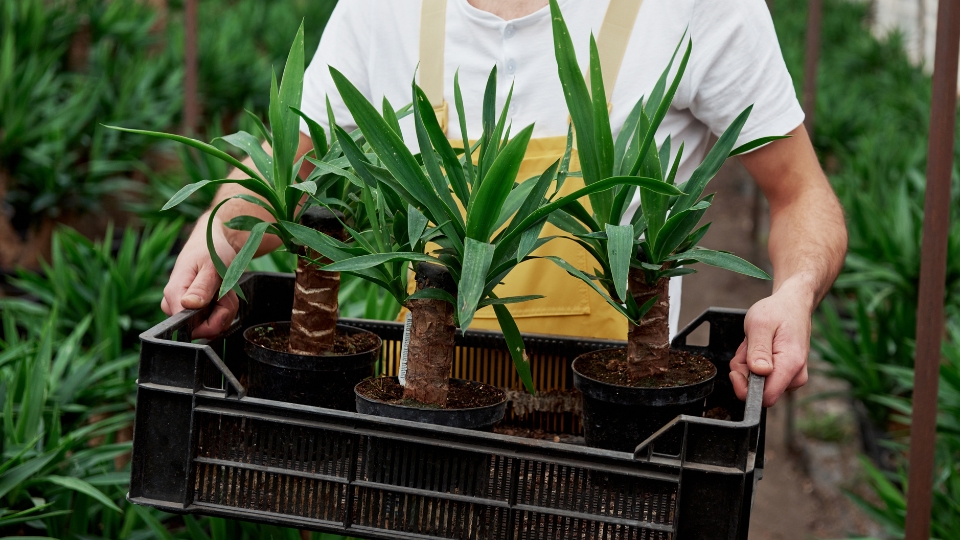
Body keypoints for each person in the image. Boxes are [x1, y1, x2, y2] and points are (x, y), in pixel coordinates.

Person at [160, 0, 848, 407]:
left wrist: (792, 293)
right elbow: (293, 160)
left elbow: (799, 192)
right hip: (427, 414)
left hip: (616, 425)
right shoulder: (384, 10)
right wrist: (222, 234)